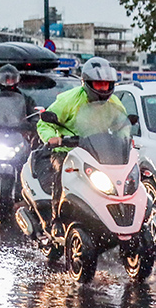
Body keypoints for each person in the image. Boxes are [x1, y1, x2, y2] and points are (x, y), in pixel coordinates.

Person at [33, 57, 125, 229]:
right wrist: (52, 138)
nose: (103, 88)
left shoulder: (115, 103)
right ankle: (56, 220)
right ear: (87, 83)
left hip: (99, 151)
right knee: (61, 172)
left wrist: (127, 139)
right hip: (67, 150)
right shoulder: (69, 99)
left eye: (107, 84)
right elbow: (44, 123)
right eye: (99, 85)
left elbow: (122, 126)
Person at [0, 64, 36, 129]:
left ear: (17, 80)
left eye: (11, 79)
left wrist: (33, 122)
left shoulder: (25, 98)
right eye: (4, 79)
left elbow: (33, 113)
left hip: (19, 132)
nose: (7, 82)